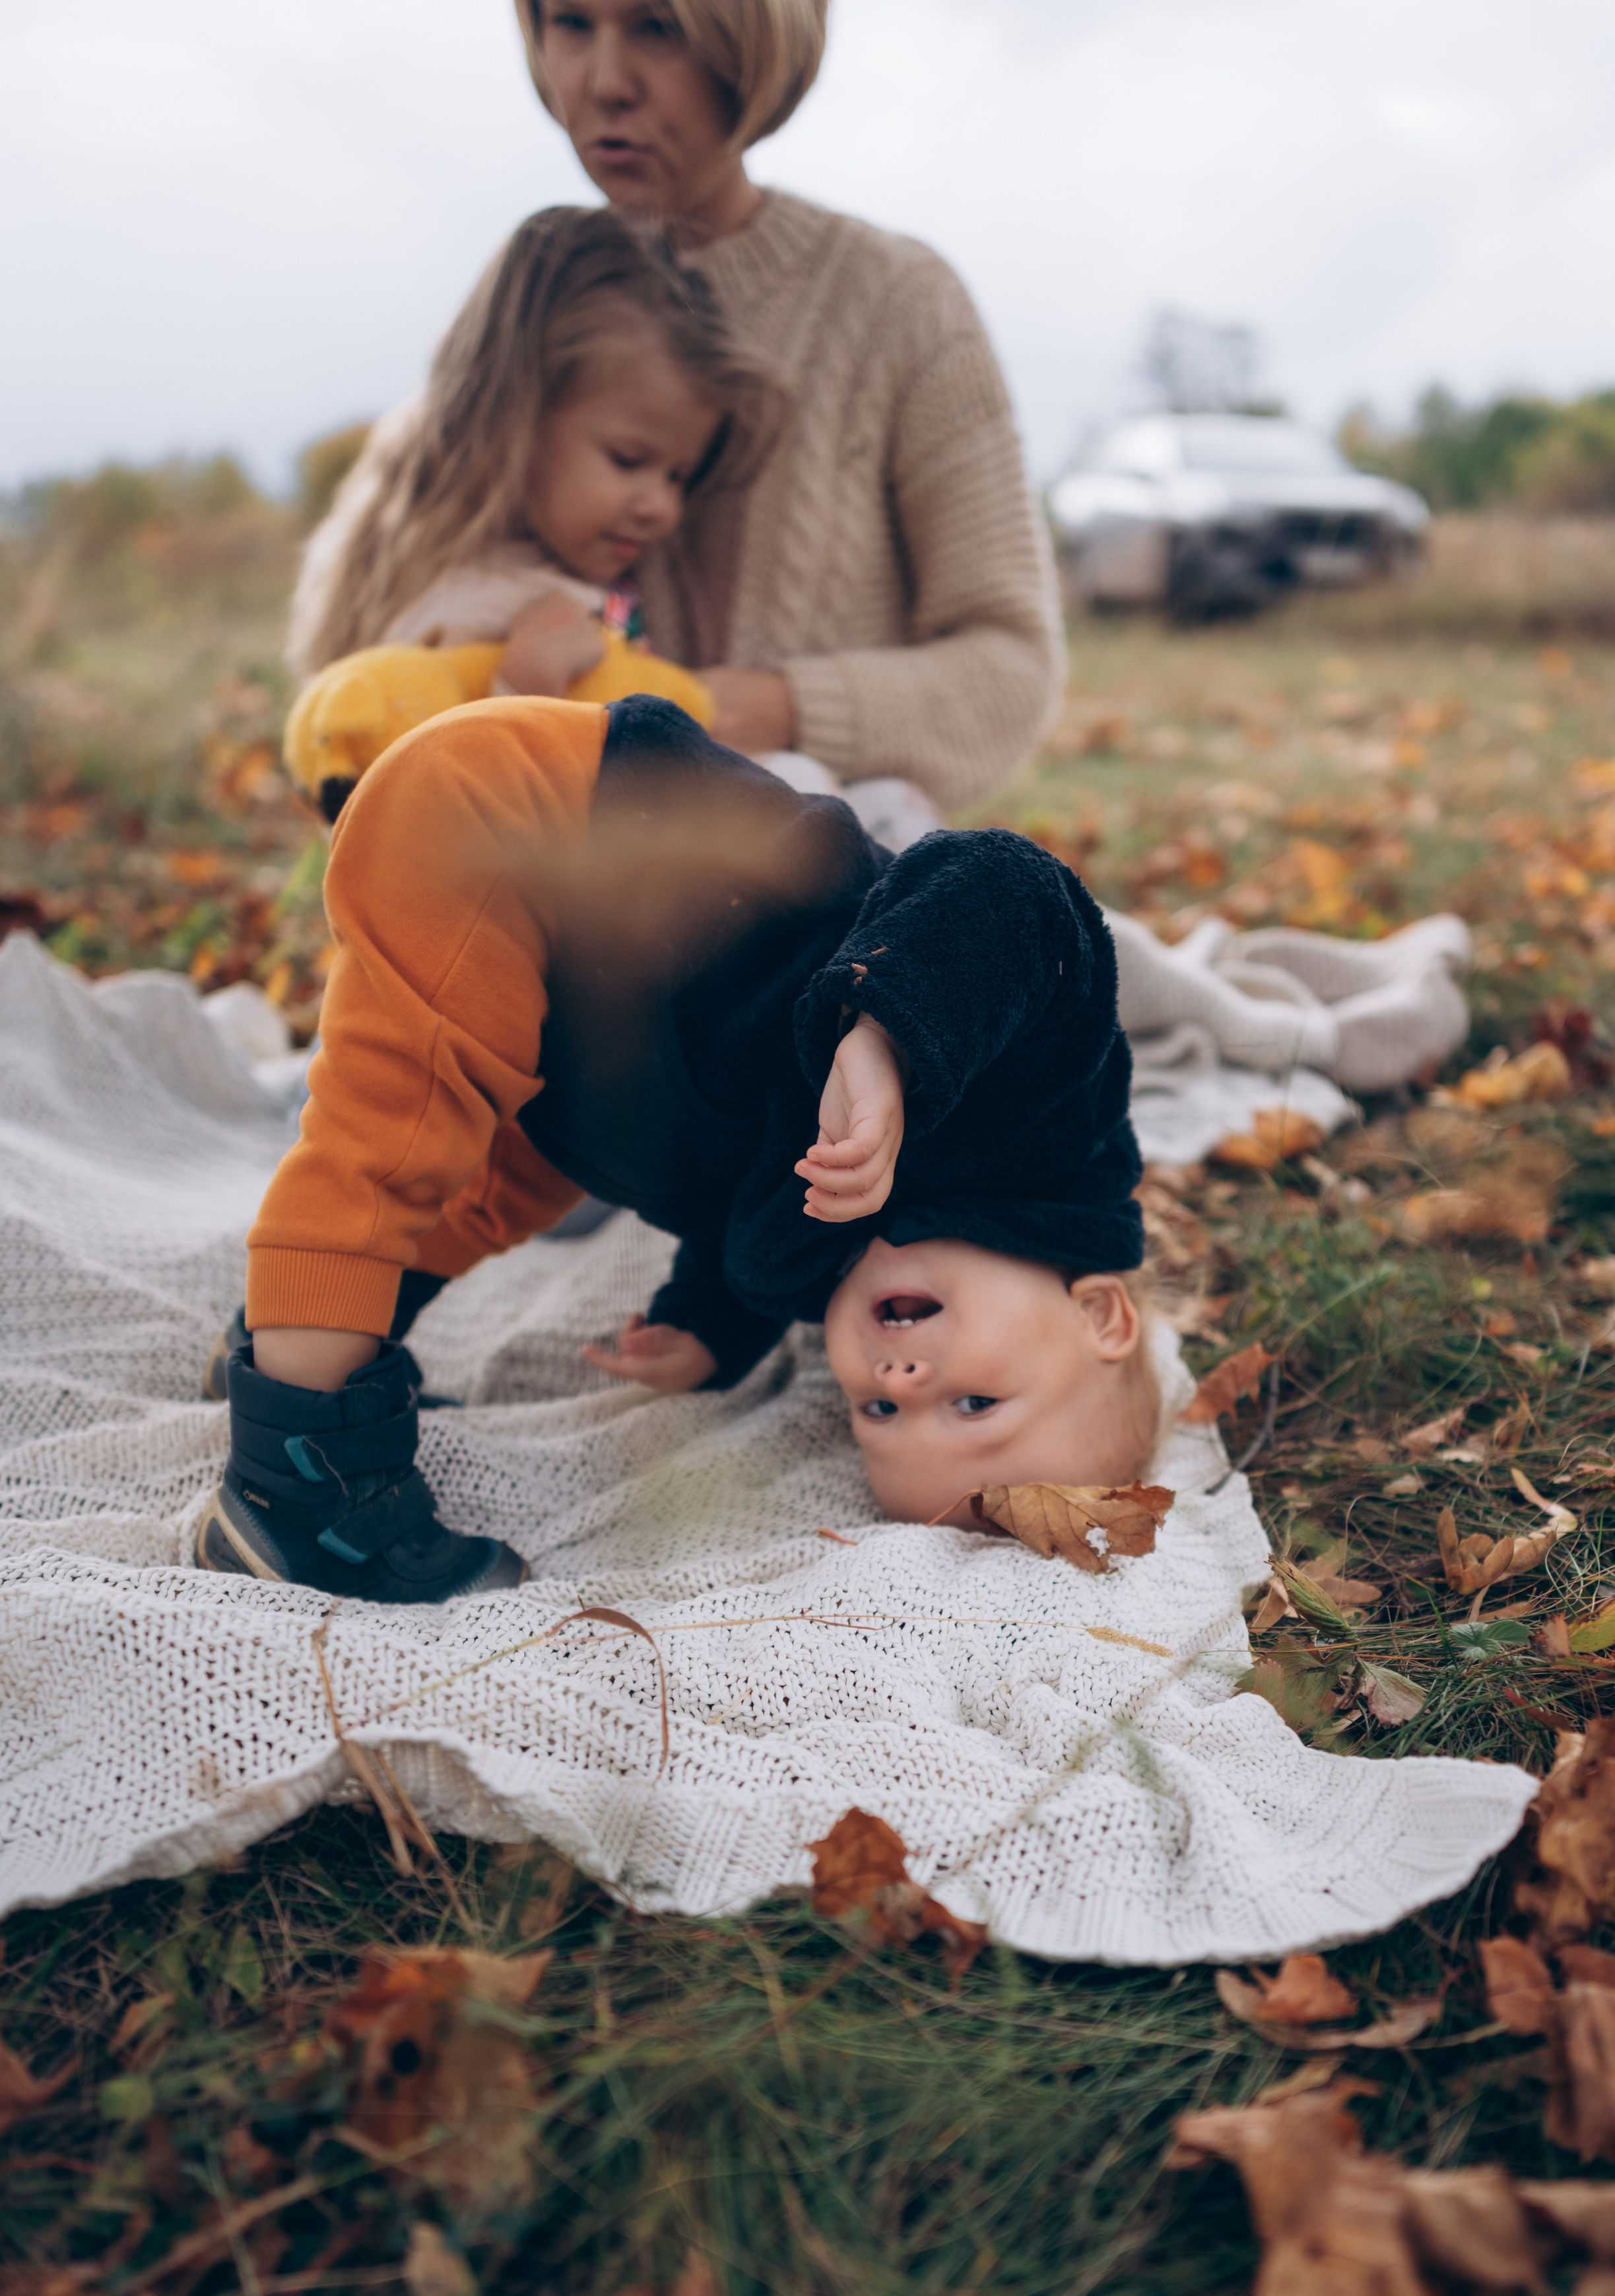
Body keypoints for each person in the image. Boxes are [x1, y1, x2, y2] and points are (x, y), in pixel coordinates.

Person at [197, 696, 1154, 1604]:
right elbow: (1008, 889)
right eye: (978, 1403)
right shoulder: (1049, 1123)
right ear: (1100, 1315)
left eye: (882, 1417)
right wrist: (887, 1037)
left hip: (591, 1048)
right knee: (393, 1142)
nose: (902, 1383)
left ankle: (298, 1345)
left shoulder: (860, 1253)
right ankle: (295, 1489)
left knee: (484, 1192)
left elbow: (746, 1209)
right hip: (547, 835)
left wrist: (709, 1329)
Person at [290, 0, 1062, 836]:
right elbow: (357, 662)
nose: (604, 81)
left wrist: (751, 710)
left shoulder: (898, 305)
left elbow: (1009, 670)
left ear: (754, 39)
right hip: (556, 886)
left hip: (843, 882)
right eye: (569, 22)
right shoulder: (534, 300)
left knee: (1063, 944)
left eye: (658, 27)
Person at [285, 203, 772, 799]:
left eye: (679, 477)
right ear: (517, 423)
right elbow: (421, 806)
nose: (661, 508)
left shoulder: (549, 571)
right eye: (627, 459)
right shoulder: (467, 600)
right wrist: (524, 684)